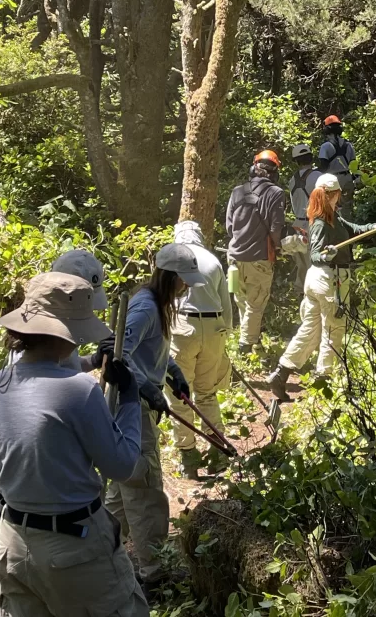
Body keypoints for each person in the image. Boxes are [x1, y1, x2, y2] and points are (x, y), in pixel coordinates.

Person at [0, 272, 147, 617]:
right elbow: (122, 465)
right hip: (74, 548)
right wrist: (130, 398)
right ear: (68, 332)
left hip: (12, 543)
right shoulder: (78, 390)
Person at [104, 244, 202, 584]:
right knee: (145, 491)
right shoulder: (144, 308)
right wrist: (147, 388)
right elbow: (118, 355)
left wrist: (173, 371)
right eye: (184, 281)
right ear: (171, 277)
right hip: (131, 409)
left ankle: (99, 556)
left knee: (120, 493)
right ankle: (155, 570)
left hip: (135, 403)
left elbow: (152, 349)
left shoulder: (156, 305)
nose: (187, 287)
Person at [268, 174, 376, 401]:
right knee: (333, 331)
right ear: (333, 194)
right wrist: (326, 253)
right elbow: (315, 255)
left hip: (319, 280)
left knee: (310, 331)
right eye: (338, 195)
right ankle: (325, 383)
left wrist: (375, 226)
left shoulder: (333, 218)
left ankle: (281, 373)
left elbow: (354, 229)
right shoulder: (321, 222)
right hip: (329, 279)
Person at [169, 221, 232, 479]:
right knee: (207, 393)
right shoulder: (214, 261)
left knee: (180, 394)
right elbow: (227, 307)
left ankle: (189, 459)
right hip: (214, 327)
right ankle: (218, 453)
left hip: (183, 327)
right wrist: (223, 336)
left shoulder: (174, 258)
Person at [226, 150, 286, 354]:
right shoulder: (276, 193)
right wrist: (277, 247)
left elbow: (229, 226)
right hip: (259, 258)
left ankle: (251, 340)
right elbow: (276, 228)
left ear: (254, 168)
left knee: (242, 301)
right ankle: (245, 346)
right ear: (275, 171)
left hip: (234, 257)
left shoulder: (237, 191)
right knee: (256, 304)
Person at [287, 144, 322, 293]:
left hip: (296, 226)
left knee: (301, 267)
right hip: (312, 225)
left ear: (296, 161)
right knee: (314, 265)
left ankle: (301, 299)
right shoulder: (318, 176)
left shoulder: (292, 180)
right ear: (311, 158)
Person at [318, 115, 357, 219]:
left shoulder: (325, 146)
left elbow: (323, 167)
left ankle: (337, 230)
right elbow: (354, 165)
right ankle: (350, 229)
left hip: (333, 181)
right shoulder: (348, 145)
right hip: (347, 178)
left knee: (332, 207)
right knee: (347, 208)